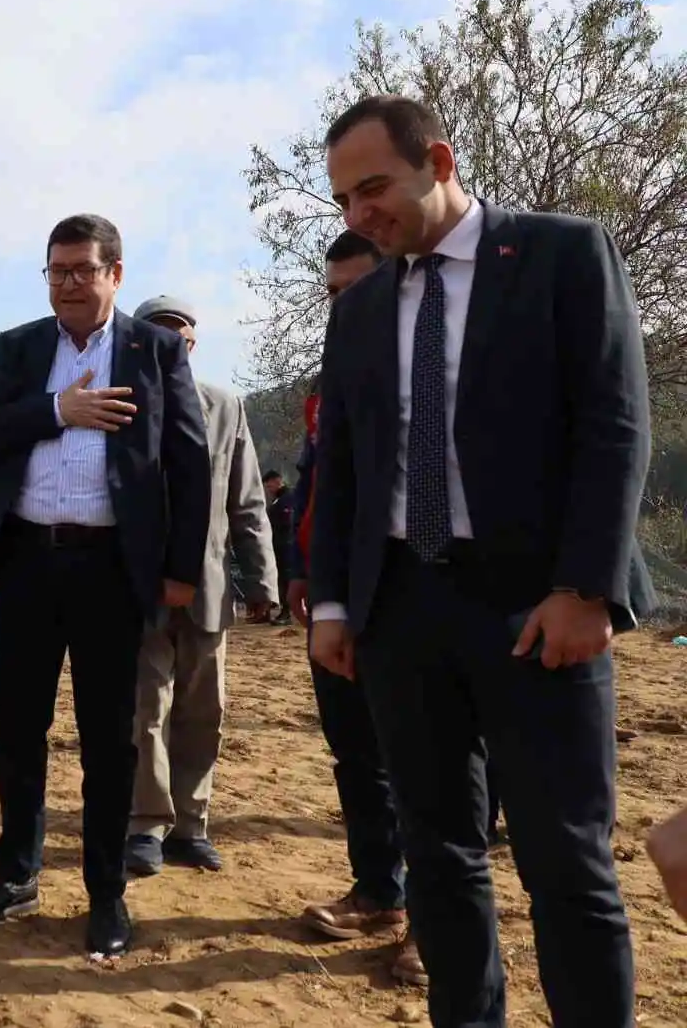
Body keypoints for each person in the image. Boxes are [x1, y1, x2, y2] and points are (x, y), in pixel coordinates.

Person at [310, 95, 651, 1027]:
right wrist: (334, 601)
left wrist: (588, 587)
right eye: (343, 198)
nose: (358, 215)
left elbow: (616, 426)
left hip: (536, 606)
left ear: (442, 160)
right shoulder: (363, 305)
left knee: (565, 861)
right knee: (439, 851)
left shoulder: (561, 254)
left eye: (373, 187)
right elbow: (341, 465)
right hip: (400, 611)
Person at [0, 214, 210, 957]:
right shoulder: (23, 346)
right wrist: (56, 411)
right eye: (55, 270)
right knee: (17, 730)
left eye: (81, 270)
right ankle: (16, 873)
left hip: (111, 571)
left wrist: (180, 572)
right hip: (30, 563)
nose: (67, 283)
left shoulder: (156, 351)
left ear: (115, 274)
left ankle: (106, 893)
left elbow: (190, 468)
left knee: (110, 739)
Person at [283, 228, 426, 985]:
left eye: (352, 290)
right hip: (339, 606)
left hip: (412, 599)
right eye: (330, 294)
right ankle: (380, 890)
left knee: (428, 768)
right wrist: (307, 571)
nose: (338, 306)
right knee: (358, 758)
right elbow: (318, 486)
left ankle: (436, 926)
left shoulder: (434, 367)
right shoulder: (337, 374)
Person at [124, 296, 276, 876]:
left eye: (179, 335)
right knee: (145, 711)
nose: (170, 344)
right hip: (138, 589)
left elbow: (247, 500)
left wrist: (261, 577)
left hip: (209, 588)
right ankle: (145, 824)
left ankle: (191, 825)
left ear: (193, 341)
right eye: (157, 334)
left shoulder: (225, 405)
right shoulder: (119, 402)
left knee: (203, 711)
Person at [261, 473, 292, 623]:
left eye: (269, 485)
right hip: (278, 546)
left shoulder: (287, 499)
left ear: (278, 481)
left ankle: (286, 613)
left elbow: (288, 523)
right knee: (281, 580)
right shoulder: (277, 500)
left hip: (286, 546)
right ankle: (282, 611)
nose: (269, 489)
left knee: (286, 580)